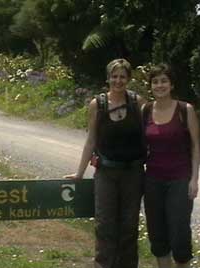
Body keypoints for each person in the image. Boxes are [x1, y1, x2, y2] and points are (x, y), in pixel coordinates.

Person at [65, 58, 146, 268]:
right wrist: (79, 172)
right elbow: (91, 139)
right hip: (106, 173)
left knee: (129, 226)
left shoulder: (138, 103)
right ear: (108, 78)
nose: (118, 81)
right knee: (105, 226)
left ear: (129, 79)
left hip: (133, 173)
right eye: (114, 76)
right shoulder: (97, 105)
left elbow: (152, 136)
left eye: (122, 76)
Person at [143, 63, 200, 268]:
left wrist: (194, 179)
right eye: (155, 81)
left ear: (172, 84)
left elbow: (195, 146)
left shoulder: (185, 110)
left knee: (179, 233)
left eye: (164, 81)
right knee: (157, 233)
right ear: (150, 86)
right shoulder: (146, 110)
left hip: (180, 179)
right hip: (153, 180)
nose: (160, 85)